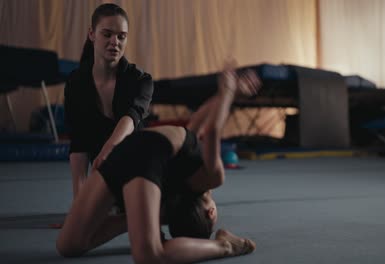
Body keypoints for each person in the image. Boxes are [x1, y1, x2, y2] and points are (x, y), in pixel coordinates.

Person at [56, 61, 261, 263]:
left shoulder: (210, 178)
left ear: (211, 211)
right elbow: (199, 124)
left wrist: (228, 93)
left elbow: (212, 130)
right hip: (138, 153)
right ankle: (221, 245)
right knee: (143, 254)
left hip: (133, 152)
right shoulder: (180, 182)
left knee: (69, 245)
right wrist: (223, 96)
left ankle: (223, 245)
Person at [64, 3, 154, 199]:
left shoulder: (141, 81)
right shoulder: (76, 83)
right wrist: (79, 206)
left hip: (139, 172)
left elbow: (131, 117)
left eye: (121, 36)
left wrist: (107, 149)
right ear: (92, 34)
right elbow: (78, 144)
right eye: (107, 34)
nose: (115, 41)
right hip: (104, 176)